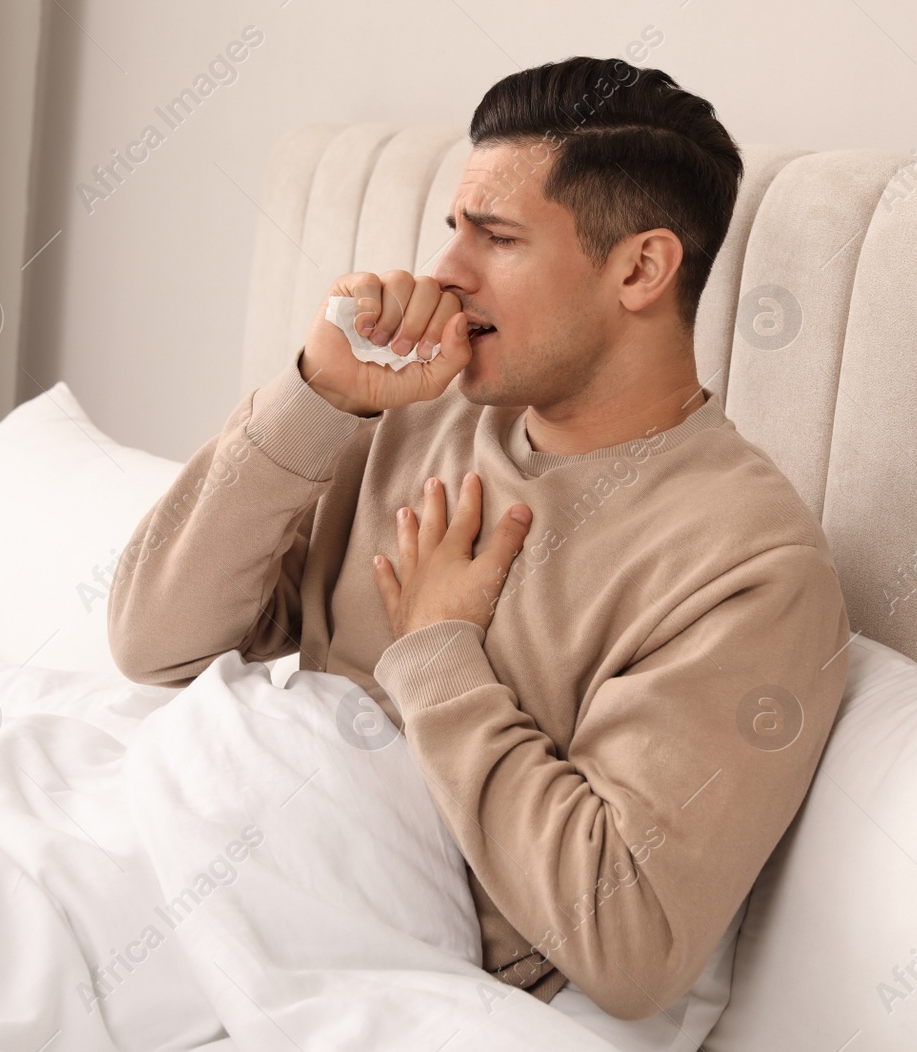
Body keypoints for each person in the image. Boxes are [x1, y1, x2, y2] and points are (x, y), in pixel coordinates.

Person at [108, 55, 851, 1033]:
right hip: (202, 878)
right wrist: (314, 397)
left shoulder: (744, 563)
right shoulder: (409, 415)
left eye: (496, 238)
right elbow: (151, 640)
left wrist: (438, 655)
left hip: (409, 976)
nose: (446, 274)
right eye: (453, 230)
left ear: (639, 268)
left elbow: (628, 942)